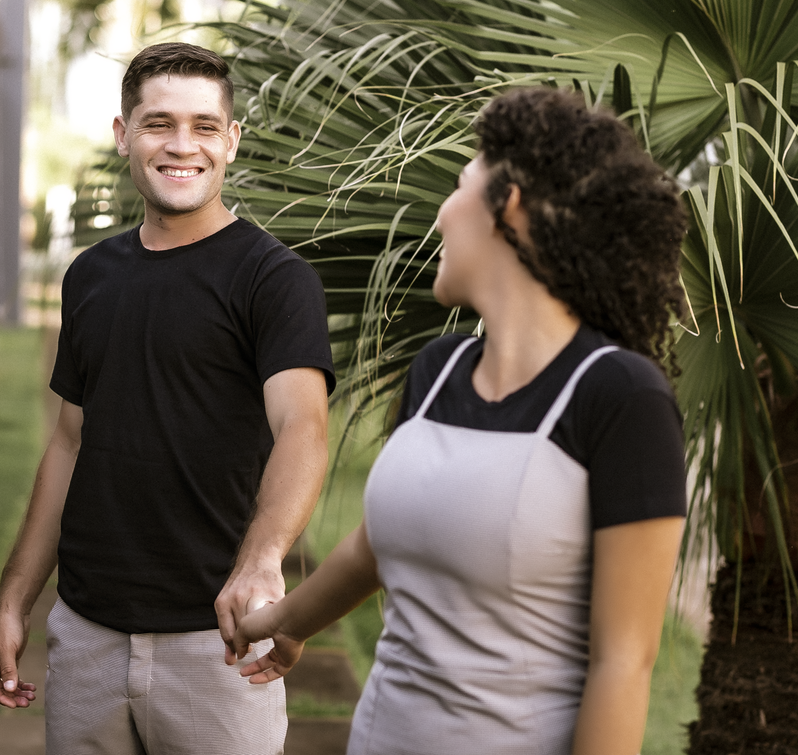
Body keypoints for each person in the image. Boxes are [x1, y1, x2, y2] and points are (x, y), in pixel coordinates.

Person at [228, 88, 689, 755]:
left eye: (458, 185)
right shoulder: (439, 368)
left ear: (509, 205)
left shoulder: (620, 397)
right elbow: (381, 542)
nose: (441, 215)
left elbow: (624, 664)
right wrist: (285, 621)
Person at [0, 41, 336, 755]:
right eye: (158, 123)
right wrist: (13, 601)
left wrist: (264, 563)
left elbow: (303, 426)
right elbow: (71, 441)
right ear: (123, 135)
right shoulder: (91, 277)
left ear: (232, 141)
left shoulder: (275, 279)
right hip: (86, 635)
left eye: (205, 126)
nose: (182, 145)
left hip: (220, 644)